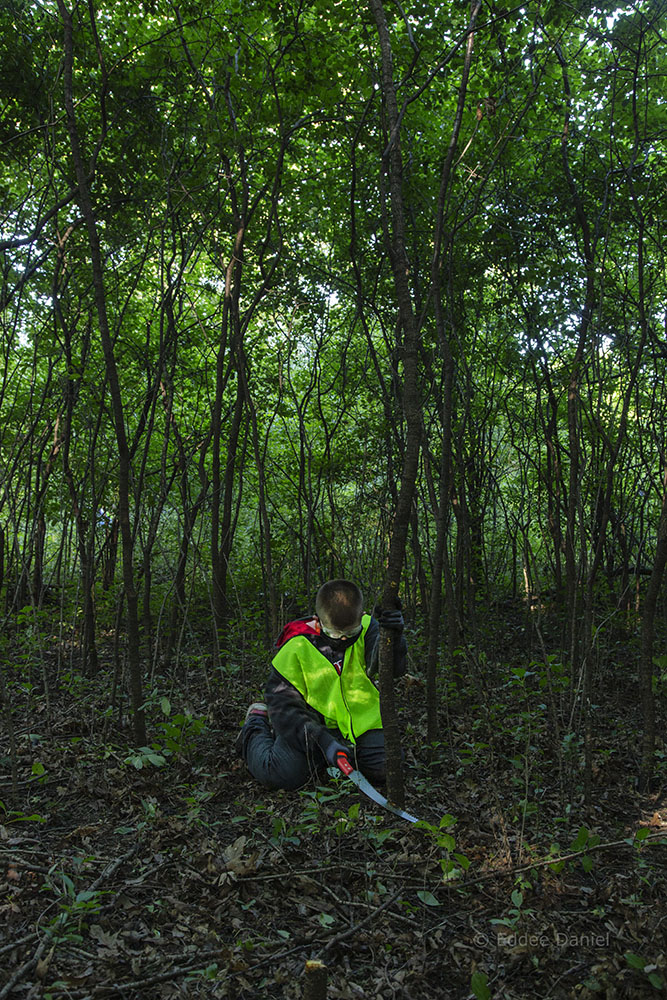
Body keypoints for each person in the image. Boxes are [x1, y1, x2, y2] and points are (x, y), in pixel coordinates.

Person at [237, 579, 407, 790]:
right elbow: (283, 710)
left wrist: (394, 636)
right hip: (310, 727)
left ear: (361, 616)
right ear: (318, 622)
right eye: (336, 634)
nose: (343, 640)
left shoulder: (368, 627)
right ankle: (254, 724)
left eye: (350, 634)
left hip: (360, 727)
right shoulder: (297, 645)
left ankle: (331, 757)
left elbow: (395, 669)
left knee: (389, 768)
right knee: (279, 774)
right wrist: (323, 743)